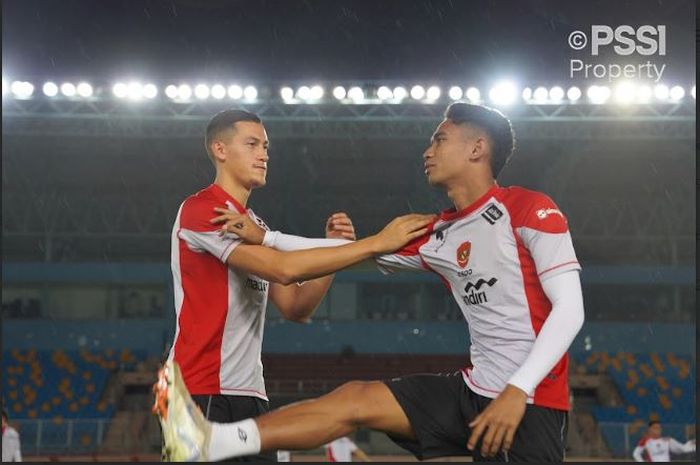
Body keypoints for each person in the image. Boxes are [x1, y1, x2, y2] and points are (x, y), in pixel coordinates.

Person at [154, 102, 585, 462]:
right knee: (357, 397)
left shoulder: (530, 208)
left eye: (439, 139)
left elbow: (570, 310)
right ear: (219, 149)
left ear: (477, 148)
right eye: (253, 144)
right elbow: (340, 257)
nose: (428, 150)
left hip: (527, 401)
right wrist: (279, 240)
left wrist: (518, 389)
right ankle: (212, 441)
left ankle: (213, 440)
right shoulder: (438, 233)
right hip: (472, 388)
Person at [160, 108, 435, 462]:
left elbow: (296, 307)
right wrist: (373, 244)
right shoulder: (203, 209)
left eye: (266, 146)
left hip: (249, 391)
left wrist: (332, 252)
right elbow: (284, 268)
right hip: (198, 388)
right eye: (252, 143)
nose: (264, 154)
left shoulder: (252, 223)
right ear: (220, 149)